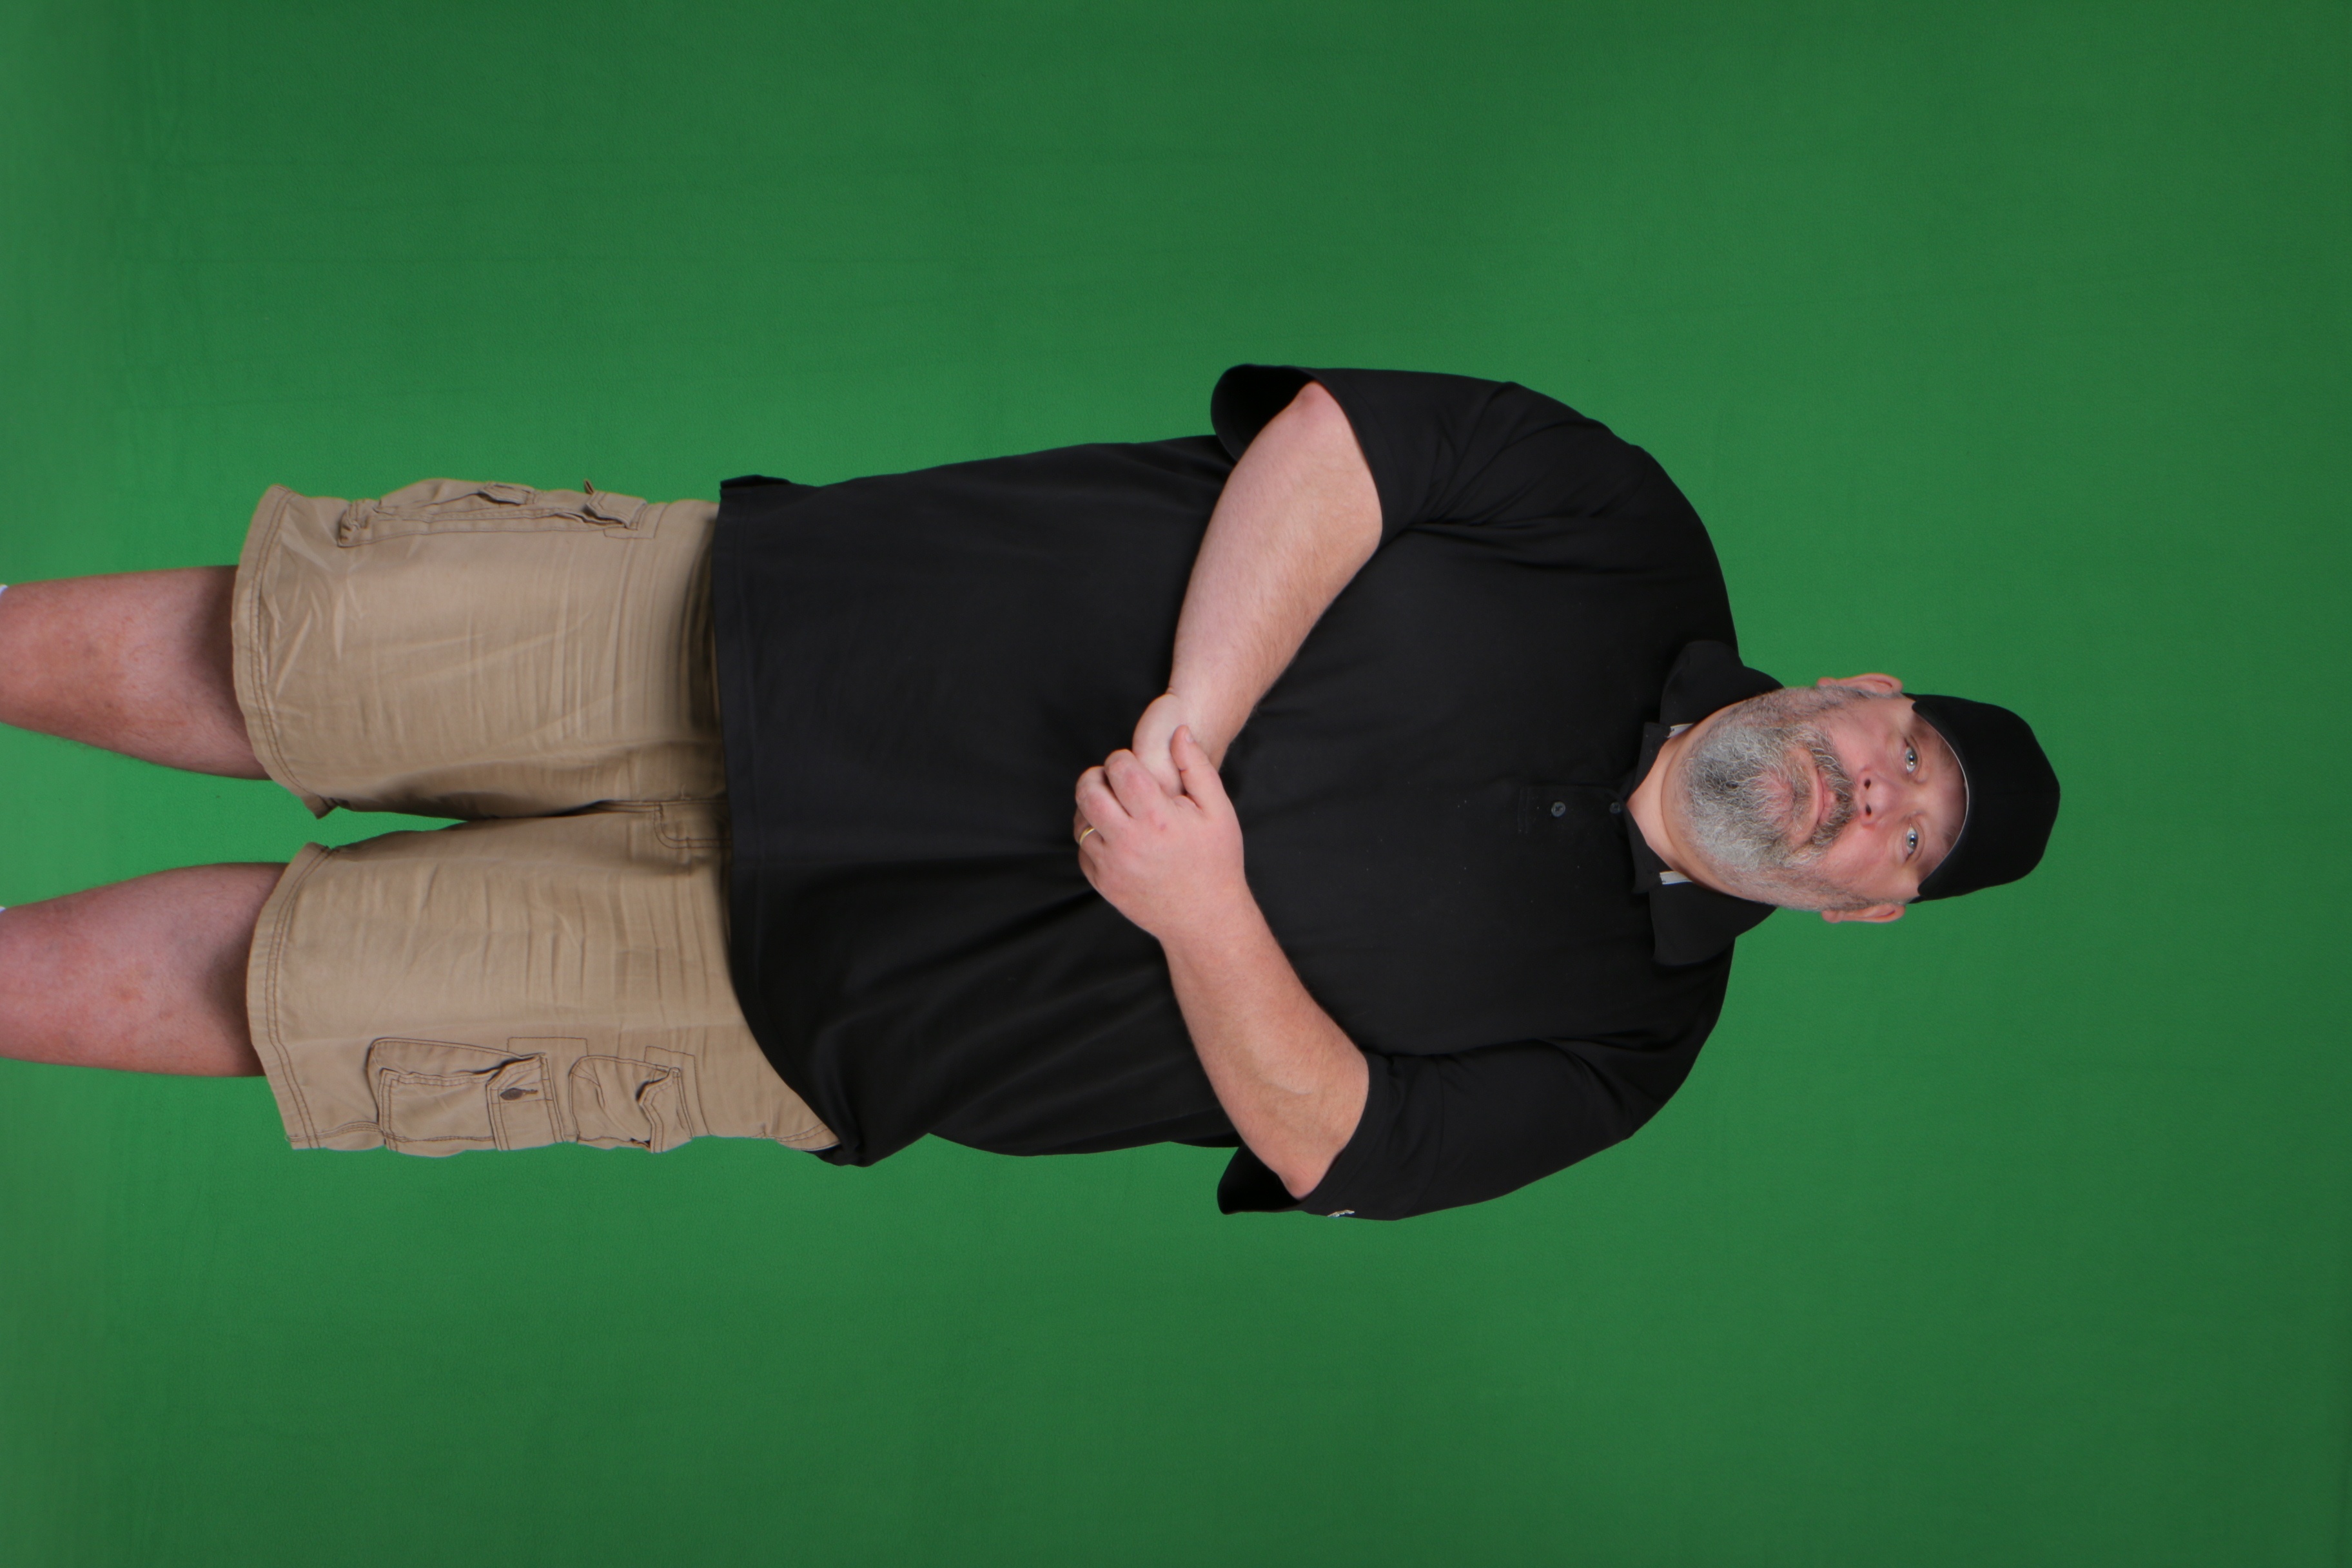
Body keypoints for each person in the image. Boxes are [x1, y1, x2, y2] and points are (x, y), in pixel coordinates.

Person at [0, 366, 2059, 1220]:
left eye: (1909, 839)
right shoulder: (1621, 527)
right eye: (1907, 754)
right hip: (788, 627)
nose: (1871, 798)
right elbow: (1345, 447)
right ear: (1859, 687)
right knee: (284, 656)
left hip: (794, 1006)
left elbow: (1346, 1143)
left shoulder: (1626, 1053)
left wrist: (1206, 908)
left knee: (289, 994)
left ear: (1866, 909)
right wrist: (1198, 716)